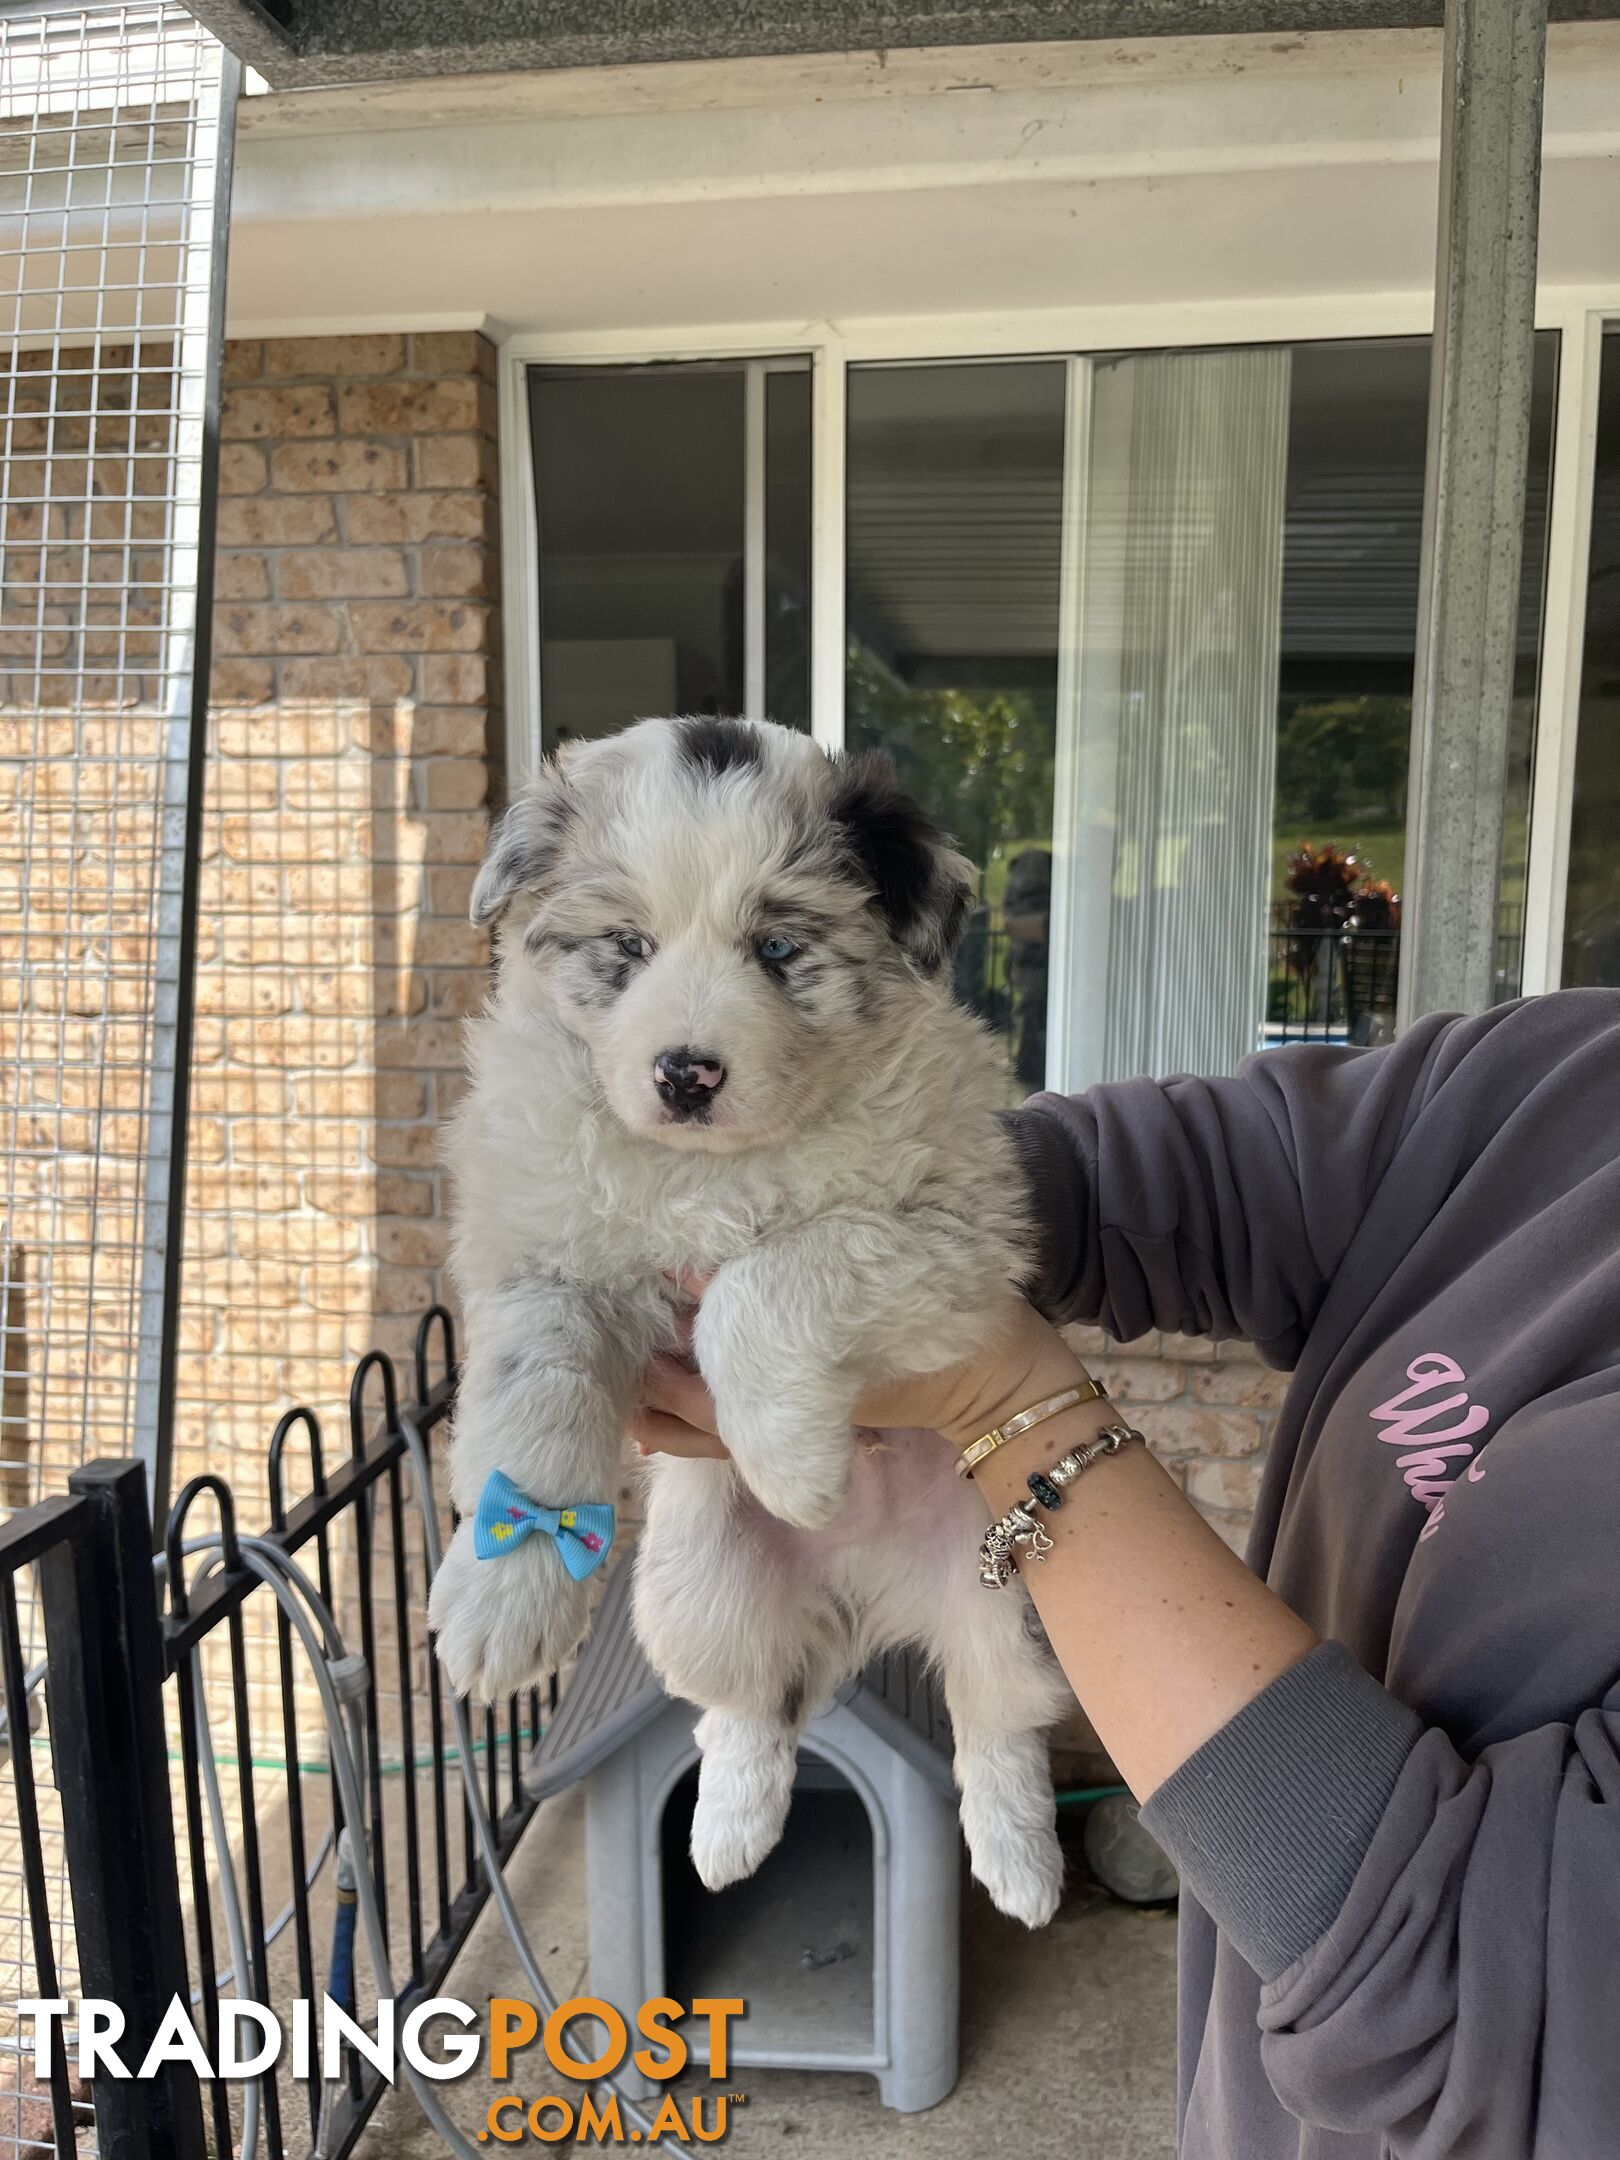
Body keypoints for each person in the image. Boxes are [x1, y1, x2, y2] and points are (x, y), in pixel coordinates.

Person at [630, 990, 1620, 2160]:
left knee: (984, 1648)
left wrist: (1006, 1407)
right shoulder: (1570, 1074)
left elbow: (1477, 1995)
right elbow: (1203, 1172)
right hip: (1240, 2097)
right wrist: (841, 1196)